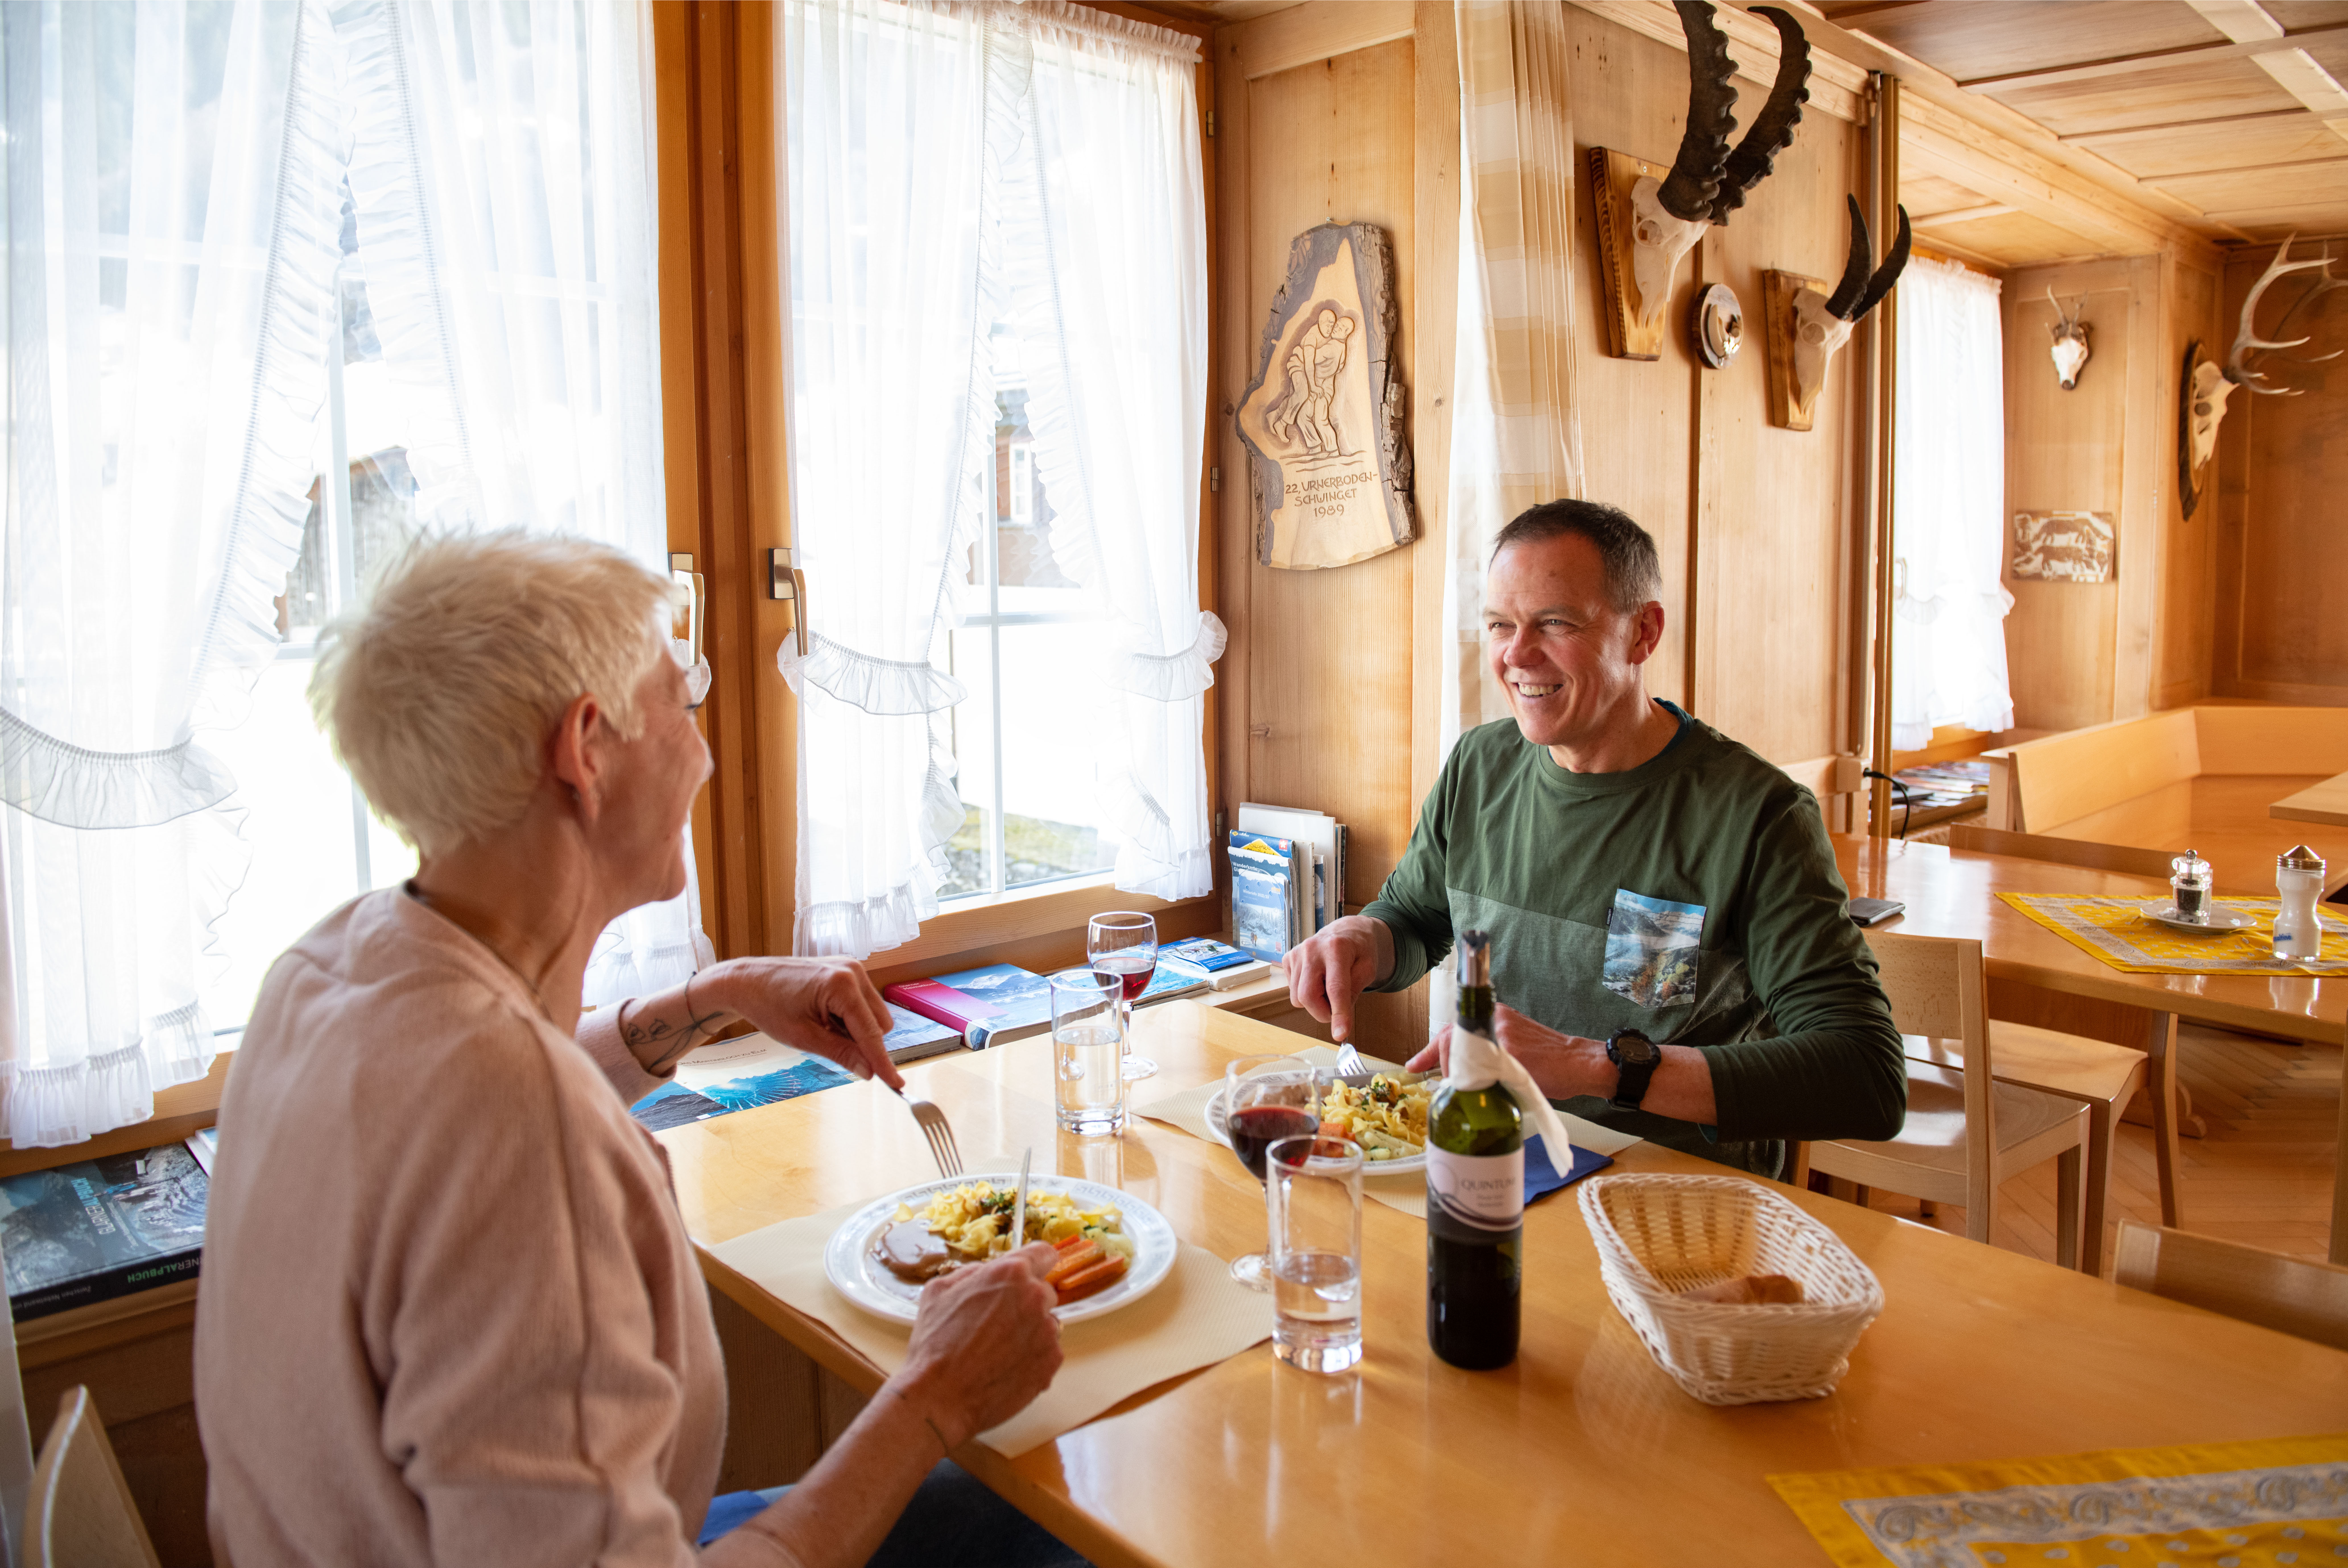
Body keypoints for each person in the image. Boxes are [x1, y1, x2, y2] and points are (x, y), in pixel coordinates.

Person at [195, 531, 1085, 1568]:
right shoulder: (519, 1127)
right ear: (586, 748)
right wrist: (935, 1395)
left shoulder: (327, 968)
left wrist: (713, 998)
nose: (704, 754)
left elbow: (484, 1072)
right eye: (684, 705)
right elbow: (506, 1110)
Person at [1283, 500, 1905, 1179]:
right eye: (1500, 625)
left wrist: (1593, 1066)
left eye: (1555, 623)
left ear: (1643, 633)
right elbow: (1416, 919)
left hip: (1672, 1200)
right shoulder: (1479, 767)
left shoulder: (1759, 815)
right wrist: (1363, 940)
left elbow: (1865, 1075)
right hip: (1493, 1166)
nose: (1517, 655)